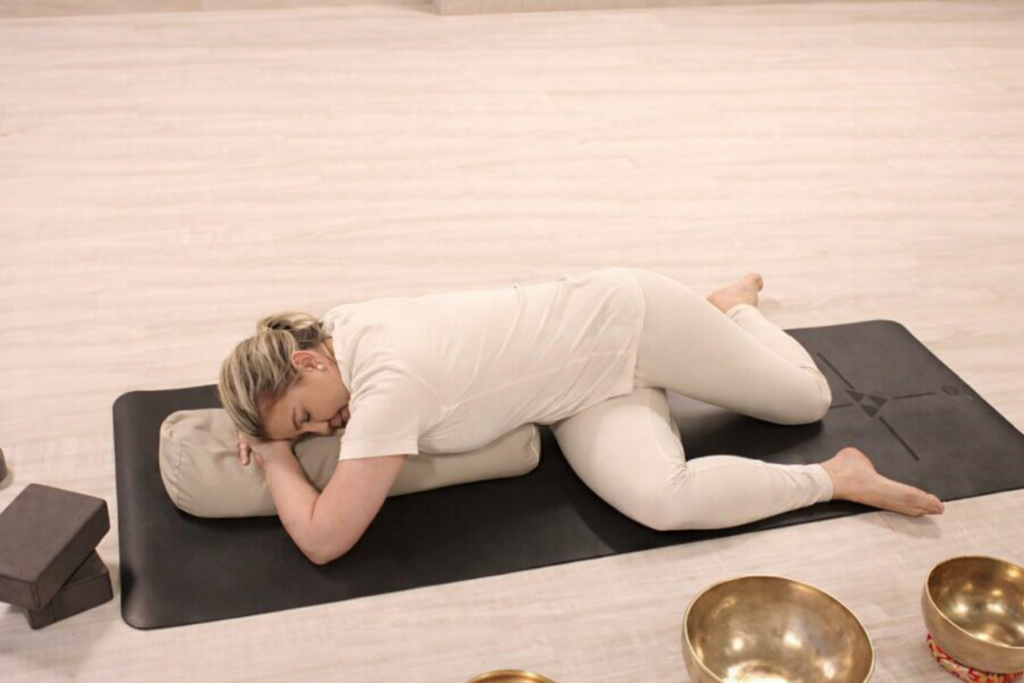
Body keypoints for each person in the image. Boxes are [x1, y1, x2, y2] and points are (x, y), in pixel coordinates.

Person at [217, 267, 943, 564]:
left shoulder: (385, 384)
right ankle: (838, 477)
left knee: (807, 400)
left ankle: (734, 310)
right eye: (303, 434)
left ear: (309, 361)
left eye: (306, 416)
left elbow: (325, 539)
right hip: (578, 393)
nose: (324, 431)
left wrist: (276, 458)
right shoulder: (336, 330)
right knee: (663, 502)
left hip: (637, 322)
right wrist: (269, 429)